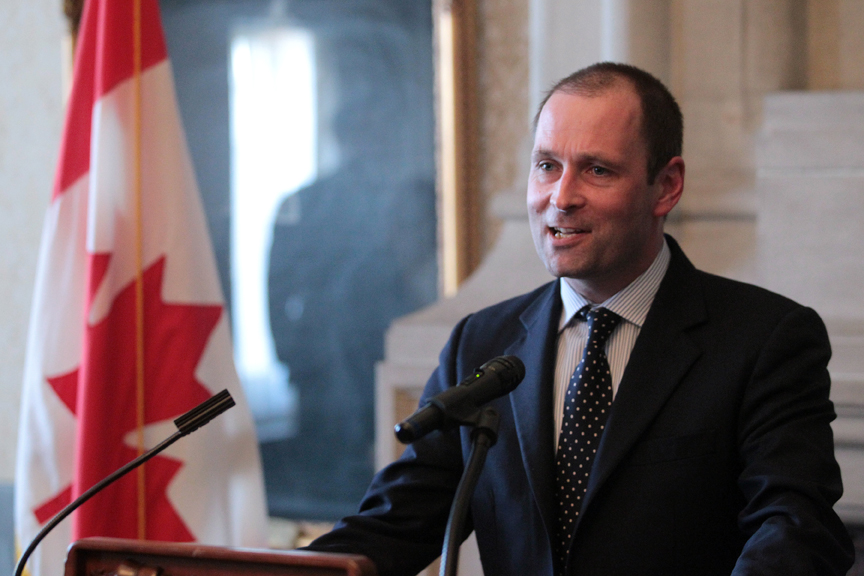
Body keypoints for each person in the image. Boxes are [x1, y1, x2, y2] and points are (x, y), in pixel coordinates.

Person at [304, 62, 855, 575]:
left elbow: (795, 527)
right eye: (547, 166)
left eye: (597, 170)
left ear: (666, 186)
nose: (561, 198)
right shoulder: (482, 343)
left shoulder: (765, 339)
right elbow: (392, 524)